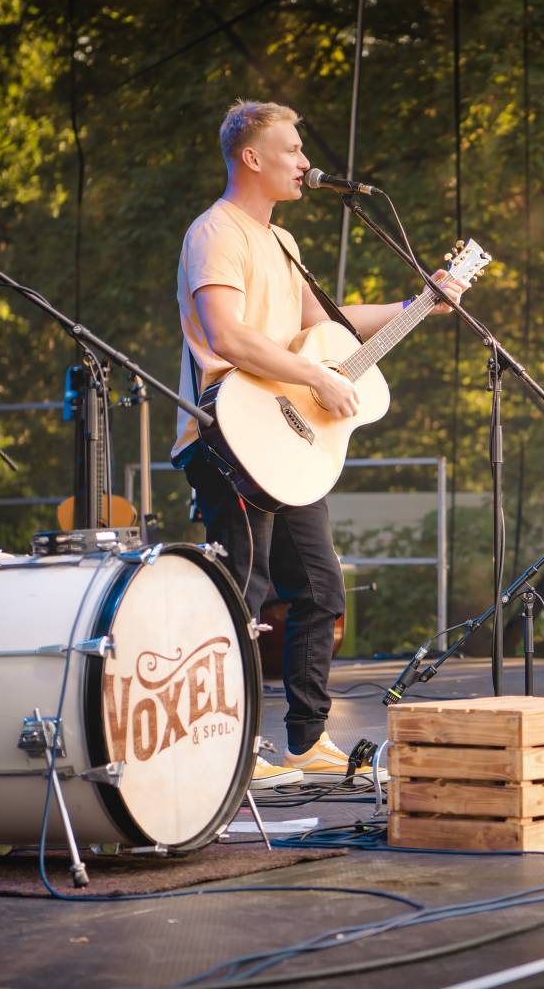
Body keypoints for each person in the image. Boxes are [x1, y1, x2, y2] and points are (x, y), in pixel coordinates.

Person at [171, 100, 468, 788]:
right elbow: (228, 337)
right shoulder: (216, 232)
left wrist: (416, 303)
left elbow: (325, 326)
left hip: (283, 442)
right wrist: (314, 378)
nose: (306, 162)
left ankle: (305, 743)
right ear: (252, 158)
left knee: (321, 591)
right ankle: (230, 752)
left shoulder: (283, 244)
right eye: (292, 149)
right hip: (230, 438)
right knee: (242, 596)